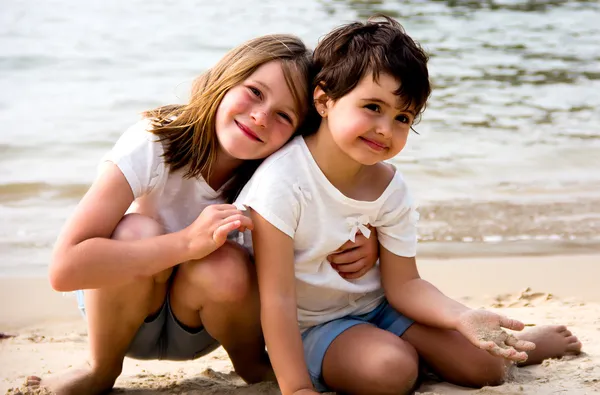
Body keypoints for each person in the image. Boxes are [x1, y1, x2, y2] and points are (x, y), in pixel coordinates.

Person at [236, 17, 582, 395]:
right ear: (324, 99)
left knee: (486, 368)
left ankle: (525, 345)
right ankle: (413, 356)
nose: (386, 128)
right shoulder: (283, 181)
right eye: (372, 106)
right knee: (390, 369)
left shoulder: (389, 185)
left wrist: (462, 316)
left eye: (403, 117)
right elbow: (278, 300)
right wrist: (297, 388)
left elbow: (405, 285)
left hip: (383, 308)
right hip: (314, 325)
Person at [26, 34, 380, 395]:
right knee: (137, 230)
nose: (260, 117)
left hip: (205, 325)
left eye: (283, 116)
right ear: (225, 79)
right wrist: (186, 243)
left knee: (224, 262)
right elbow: (65, 269)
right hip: (120, 317)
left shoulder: (280, 177)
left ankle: (253, 367)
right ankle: (100, 368)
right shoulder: (154, 142)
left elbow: (320, 233)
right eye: (255, 92)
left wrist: (368, 243)